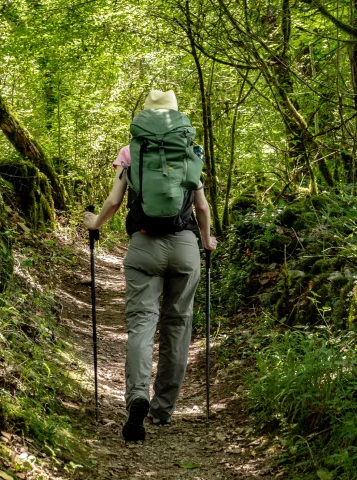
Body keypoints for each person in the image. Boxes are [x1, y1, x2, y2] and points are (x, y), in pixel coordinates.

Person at [83, 90, 217, 442]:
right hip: (185, 248)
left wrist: (93, 224)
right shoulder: (189, 150)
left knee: (142, 325)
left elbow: (113, 202)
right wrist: (206, 241)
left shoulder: (132, 151)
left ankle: (137, 396)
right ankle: (162, 409)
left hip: (143, 246)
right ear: (175, 116)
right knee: (178, 326)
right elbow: (201, 208)